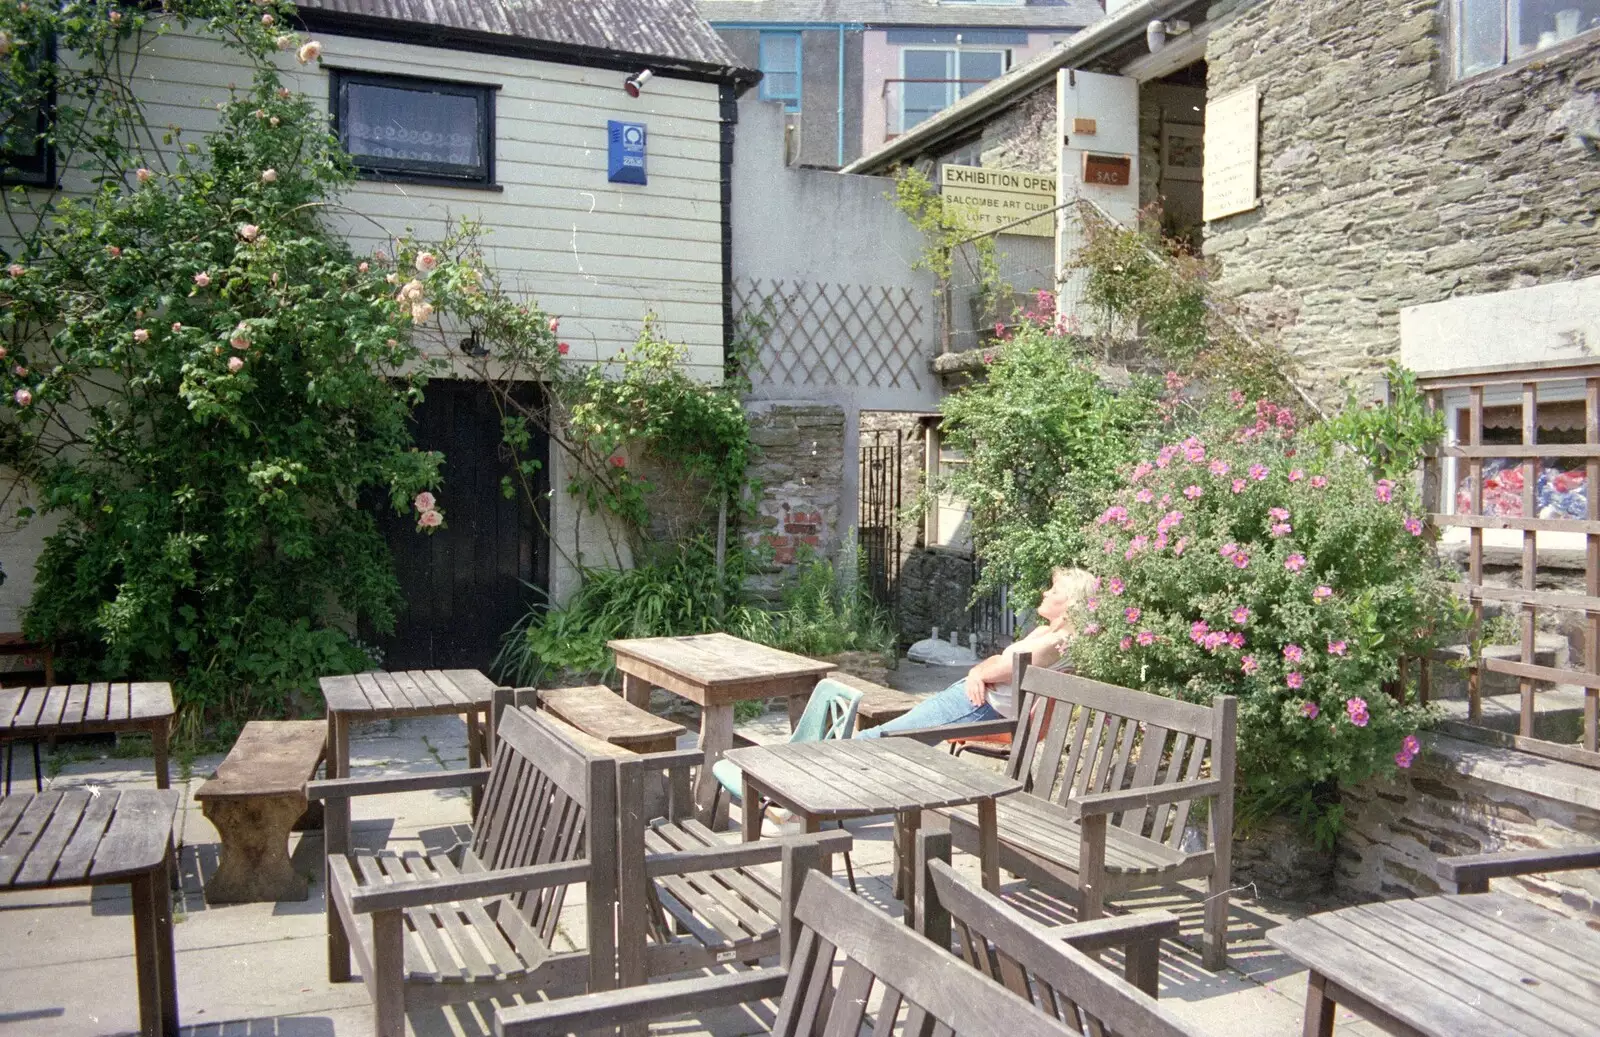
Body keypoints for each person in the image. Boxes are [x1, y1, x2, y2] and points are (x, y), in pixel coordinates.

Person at [857, 567, 1095, 738]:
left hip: (980, 706)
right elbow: (996, 662)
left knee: (876, 738)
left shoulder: (1057, 642)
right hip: (973, 698)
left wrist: (981, 673)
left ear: (1071, 604)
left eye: (1054, 591)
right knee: (885, 739)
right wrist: (977, 673)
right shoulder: (1044, 632)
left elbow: (1003, 668)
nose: (1045, 593)